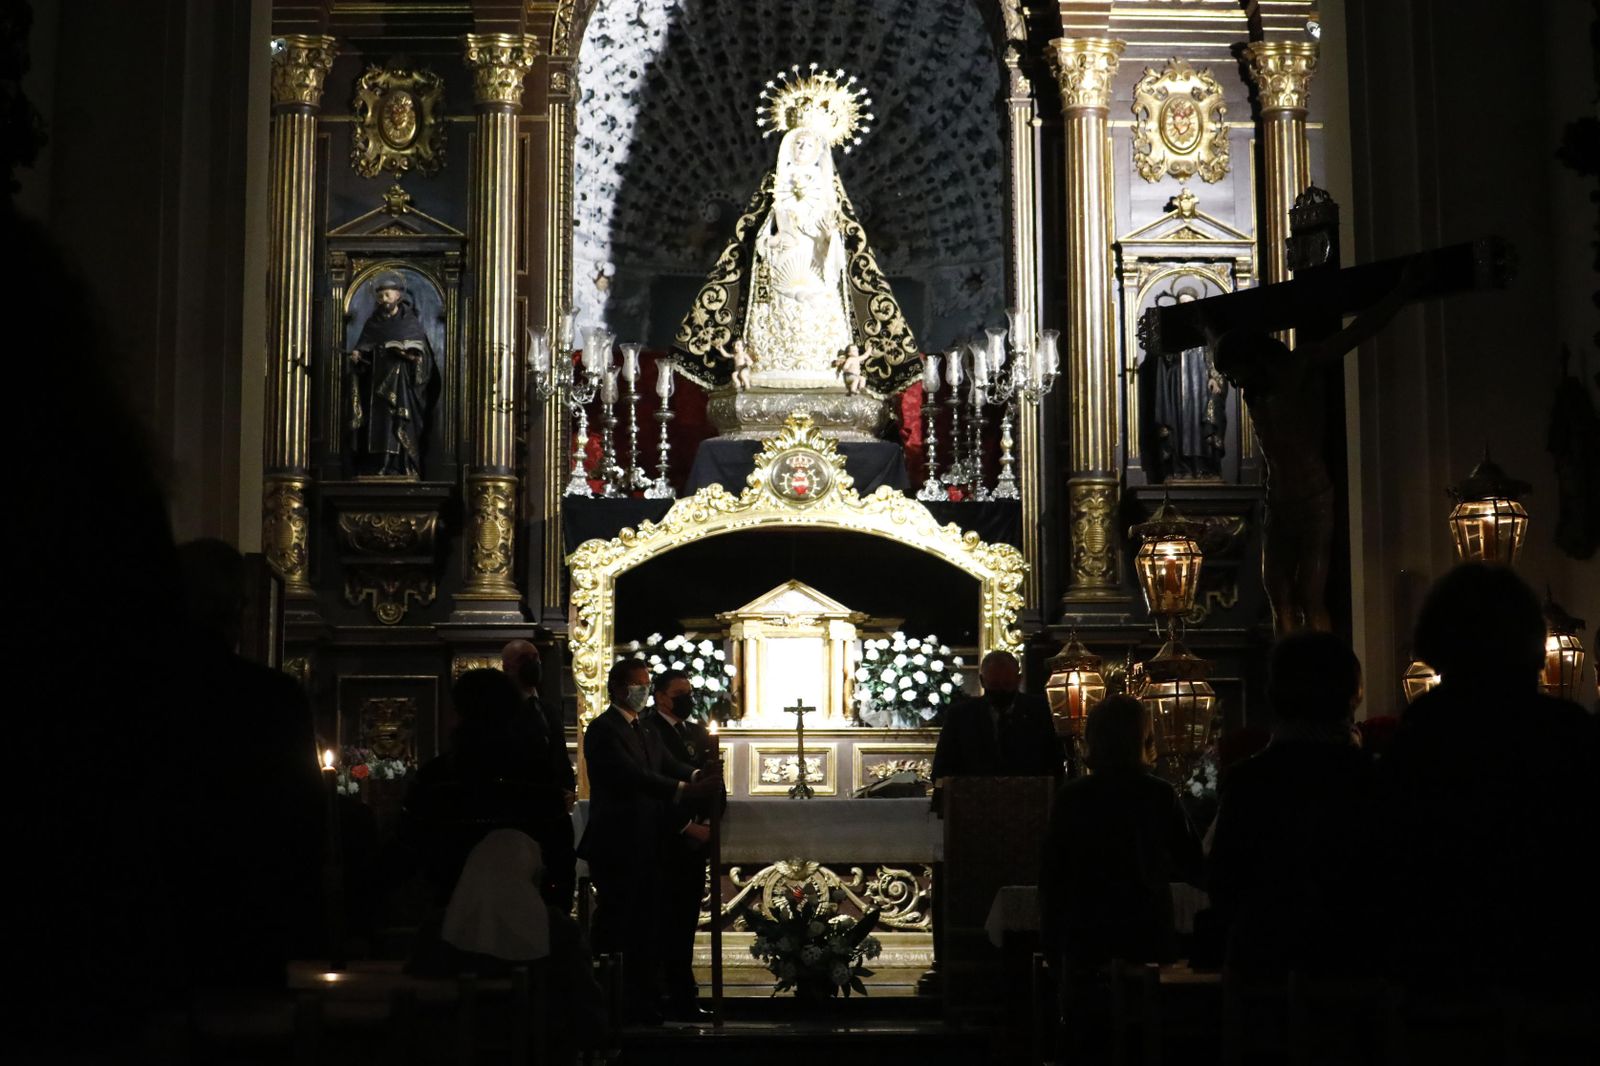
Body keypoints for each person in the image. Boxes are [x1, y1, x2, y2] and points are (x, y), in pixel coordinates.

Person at [1378, 564, 1599, 994]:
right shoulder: (1568, 734)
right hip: (1558, 975)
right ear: (1531, 643)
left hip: (1441, 979)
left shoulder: (1419, 741)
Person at [1206, 631, 1378, 978]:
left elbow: (1222, 882)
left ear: (1272, 695)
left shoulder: (1247, 781)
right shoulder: (1374, 779)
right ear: (1354, 695)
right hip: (1354, 975)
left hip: (1263, 973)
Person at [401, 668, 574, 969]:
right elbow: (560, 855)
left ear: (458, 714)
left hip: (448, 926)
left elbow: (412, 852)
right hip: (532, 928)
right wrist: (552, 910)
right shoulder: (538, 775)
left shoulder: (437, 777)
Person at [578, 659, 720, 1023]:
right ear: (618, 689)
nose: (642, 689)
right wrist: (685, 789)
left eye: (645, 682)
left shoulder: (644, 729)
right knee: (619, 925)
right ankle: (613, 1004)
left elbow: (666, 763)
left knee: (645, 927)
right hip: (618, 843)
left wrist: (697, 773)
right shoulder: (604, 729)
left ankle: (643, 1000)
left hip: (645, 843)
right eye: (637, 684)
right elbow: (634, 776)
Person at [1040, 696, 1203, 969]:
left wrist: (1052, 942)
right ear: (1142, 737)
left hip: (1086, 932)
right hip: (1145, 930)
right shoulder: (1157, 793)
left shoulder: (1072, 796)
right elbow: (1190, 859)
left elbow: (1052, 873)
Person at [641, 668, 721, 1020]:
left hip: (696, 842)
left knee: (685, 922)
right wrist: (686, 826)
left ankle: (683, 994)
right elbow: (649, 788)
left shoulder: (697, 731)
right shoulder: (647, 730)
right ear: (660, 696)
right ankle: (659, 994)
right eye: (679, 693)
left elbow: (713, 780)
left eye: (689, 692)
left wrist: (709, 822)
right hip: (664, 841)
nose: (687, 699)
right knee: (660, 921)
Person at [346, 270, 437, 476]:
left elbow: (424, 359)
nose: (383, 299)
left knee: (398, 424)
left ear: (398, 296)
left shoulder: (409, 321)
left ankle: (402, 464)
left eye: (387, 295)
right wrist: (358, 357)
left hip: (403, 387)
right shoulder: (373, 323)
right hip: (376, 390)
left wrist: (409, 357)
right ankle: (378, 464)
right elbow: (364, 349)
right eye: (380, 296)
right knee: (378, 428)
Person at [930, 650, 1064, 788]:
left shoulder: (1041, 712)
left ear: (1018, 680)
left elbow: (1055, 765)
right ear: (982, 681)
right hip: (975, 800)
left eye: (1007, 684)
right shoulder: (960, 716)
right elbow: (942, 768)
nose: (1000, 691)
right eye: (994, 685)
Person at [501, 639, 577, 807]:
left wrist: (569, 790)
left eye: (535, 657)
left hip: (555, 807)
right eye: (523, 659)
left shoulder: (549, 709)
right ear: (507, 668)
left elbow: (560, 756)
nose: (532, 663)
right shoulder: (500, 711)